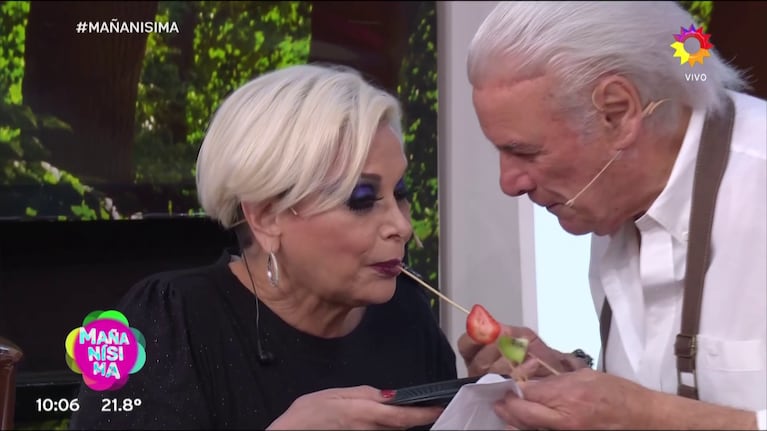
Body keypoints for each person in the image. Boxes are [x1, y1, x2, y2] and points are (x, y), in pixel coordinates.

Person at [69, 64, 457, 430]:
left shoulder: (406, 315)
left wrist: (487, 404)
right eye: (361, 198)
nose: (402, 226)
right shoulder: (166, 321)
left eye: (400, 193)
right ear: (267, 217)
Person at [459, 1, 766, 430]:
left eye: (524, 152)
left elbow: (650, 410)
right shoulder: (614, 200)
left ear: (618, 113)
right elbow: (652, 387)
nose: (509, 183)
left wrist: (649, 416)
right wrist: (564, 376)